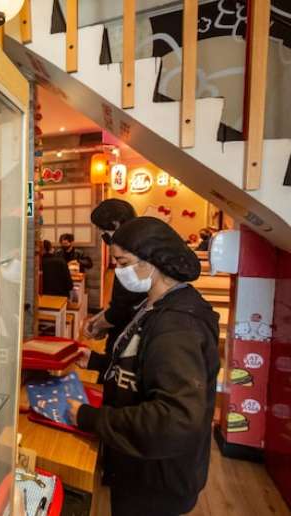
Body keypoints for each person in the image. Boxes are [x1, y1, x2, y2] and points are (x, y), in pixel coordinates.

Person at [69, 217, 220, 516]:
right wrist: (99, 362)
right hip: (140, 467)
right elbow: (144, 366)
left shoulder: (177, 326)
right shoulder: (154, 304)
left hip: (156, 478)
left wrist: (90, 418)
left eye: (123, 262)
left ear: (152, 260)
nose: (118, 271)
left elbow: (174, 419)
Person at [82, 199, 146, 379]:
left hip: (128, 343)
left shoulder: (134, 255)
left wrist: (97, 325)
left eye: (104, 231)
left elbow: (122, 309)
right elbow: (119, 304)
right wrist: (98, 318)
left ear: (117, 224)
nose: (103, 236)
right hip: (124, 338)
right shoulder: (135, 247)